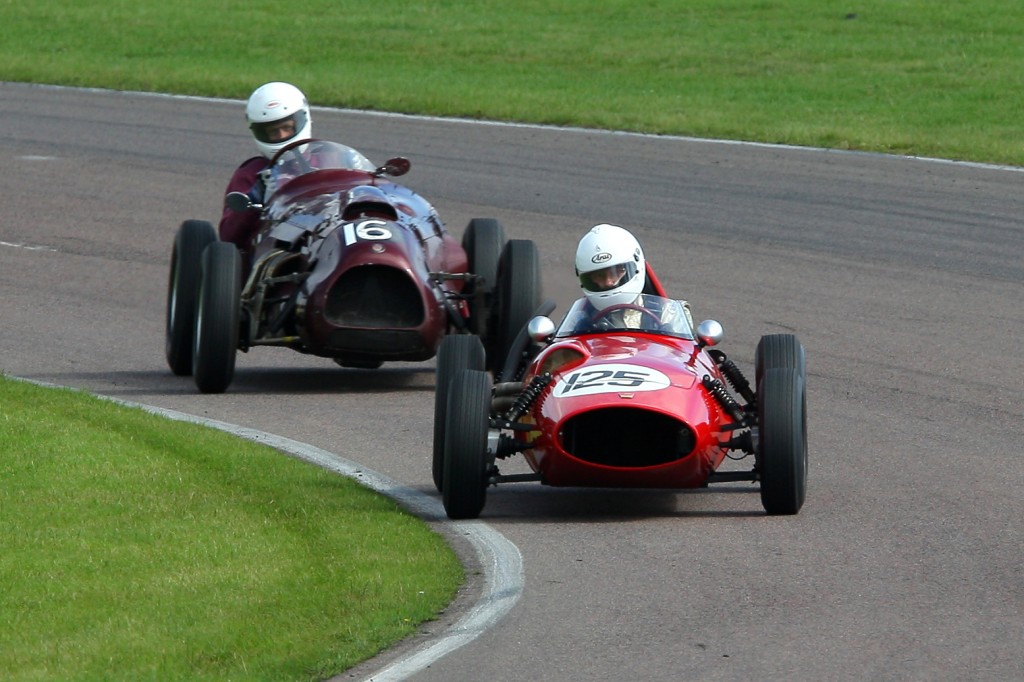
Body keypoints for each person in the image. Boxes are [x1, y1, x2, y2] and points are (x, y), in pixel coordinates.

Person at [218, 82, 313, 258]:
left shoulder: (330, 160)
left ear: (303, 119)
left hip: (321, 243)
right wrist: (256, 195)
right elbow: (228, 236)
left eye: (287, 127)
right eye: (273, 131)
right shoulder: (250, 174)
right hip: (271, 253)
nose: (282, 136)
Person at [572, 223, 694, 332]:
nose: (609, 282)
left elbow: (682, 354)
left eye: (617, 272)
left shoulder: (668, 314)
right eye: (599, 276)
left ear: (637, 265)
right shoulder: (578, 320)